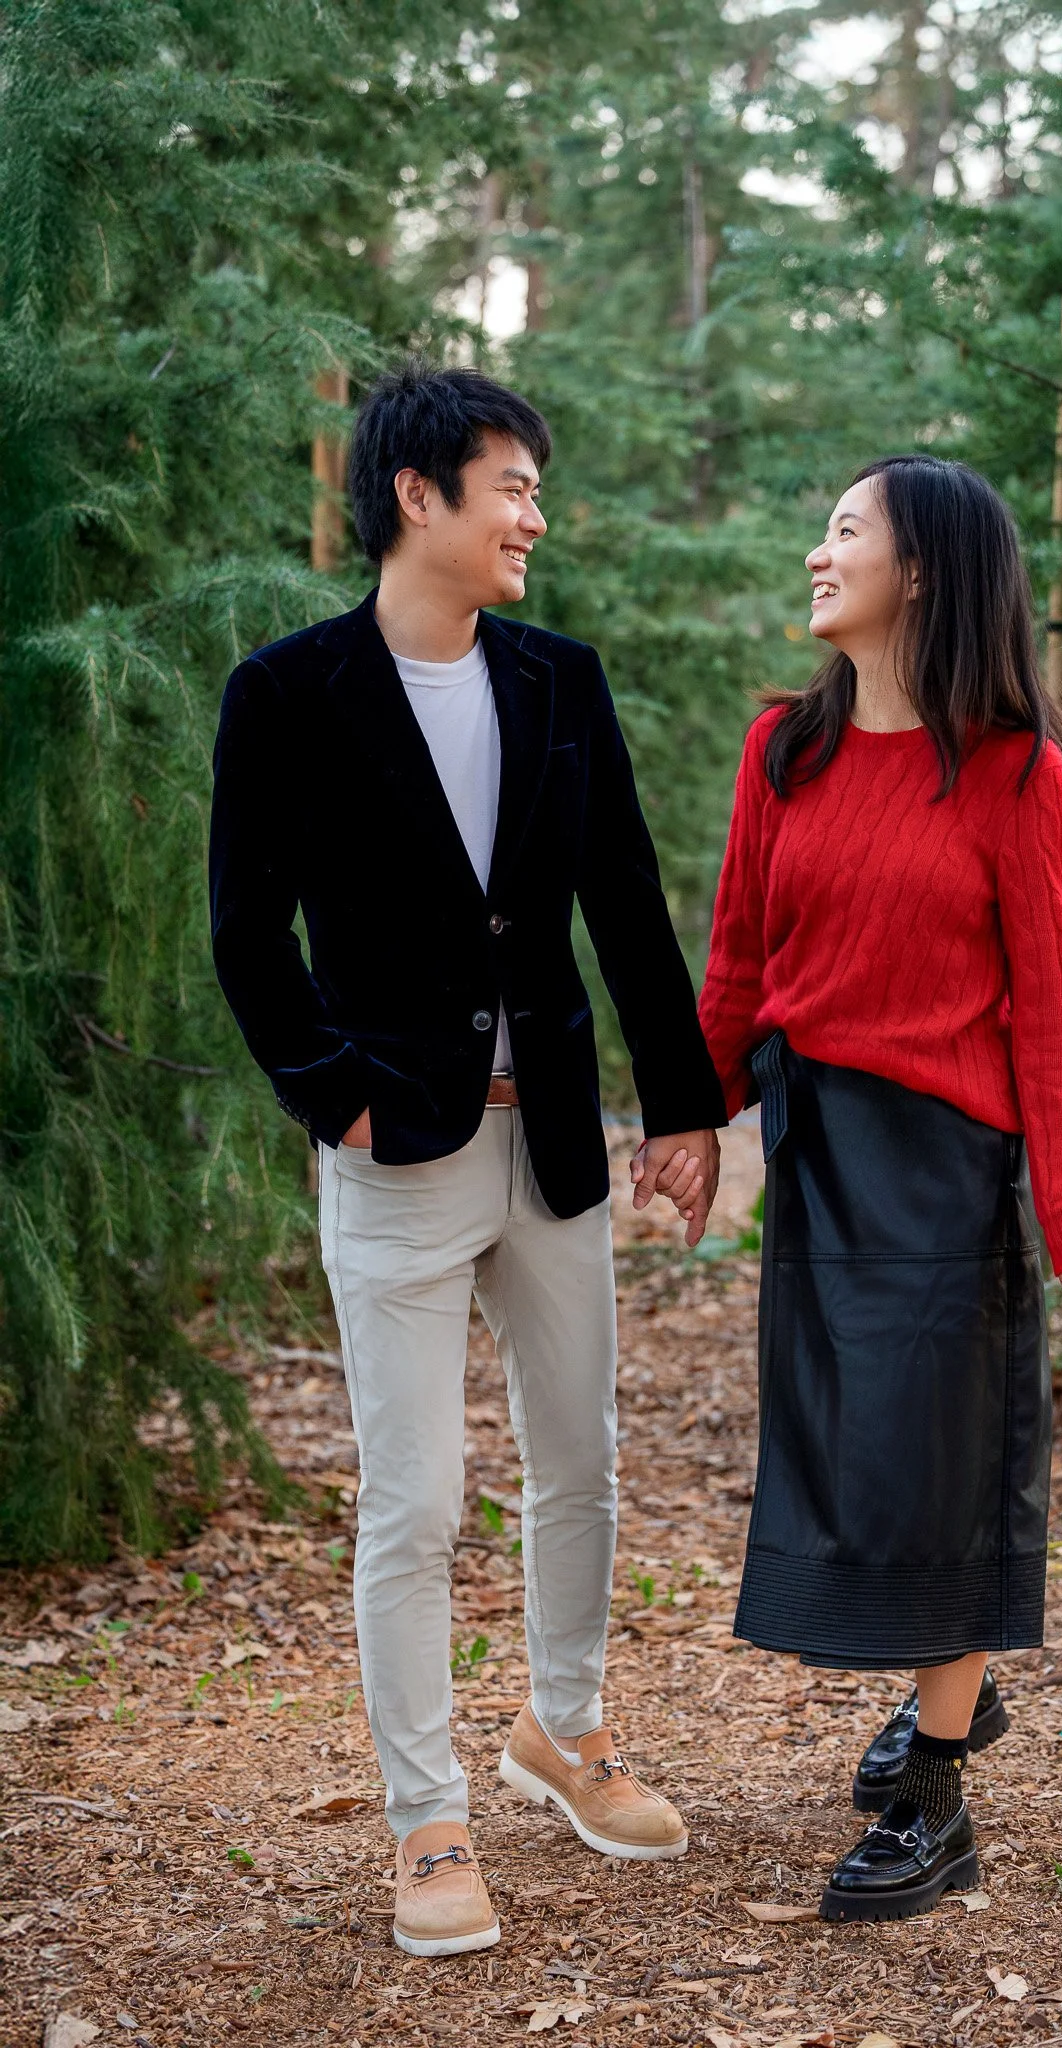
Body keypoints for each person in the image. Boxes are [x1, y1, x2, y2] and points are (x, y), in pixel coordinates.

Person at [209, 360, 726, 1957]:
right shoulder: (287, 691)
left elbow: (625, 900)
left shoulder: (562, 678)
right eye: (513, 487)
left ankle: (564, 1732)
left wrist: (686, 1106)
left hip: (553, 1141)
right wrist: (335, 1098)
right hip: (399, 1155)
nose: (534, 518)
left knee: (582, 1459)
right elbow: (247, 933)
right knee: (416, 1500)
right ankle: (427, 1819)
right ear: (418, 495)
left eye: (537, 492)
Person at [699, 454, 1062, 1922]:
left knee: (940, 1463)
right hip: (819, 1160)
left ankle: (938, 1796)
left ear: (922, 569)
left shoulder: (1015, 772)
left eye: (845, 532)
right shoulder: (783, 752)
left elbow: (1050, 1005)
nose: (819, 555)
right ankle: (957, 1693)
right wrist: (693, 1117)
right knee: (849, 1453)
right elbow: (740, 964)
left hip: (946, 1174)